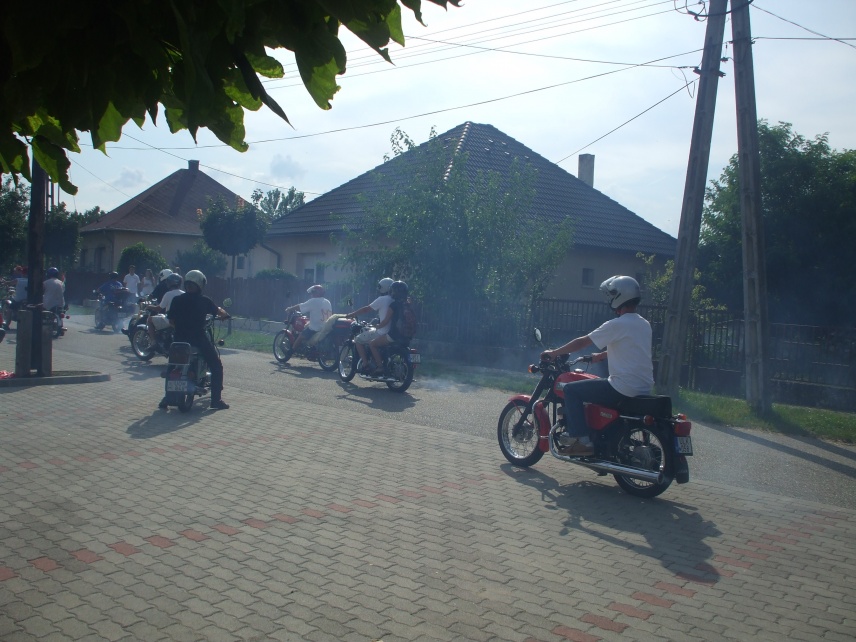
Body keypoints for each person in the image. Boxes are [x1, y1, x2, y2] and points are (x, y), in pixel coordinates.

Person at [540, 275, 654, 457]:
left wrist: (554, 352)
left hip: (622, 387)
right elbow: (631, 349)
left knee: (571, 390)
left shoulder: (617, 324)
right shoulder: (644, 324)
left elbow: (582, 342)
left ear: (619, 297)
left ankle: (582, 441)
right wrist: (601, 356)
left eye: (611, 295)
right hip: (644, 388)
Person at [165, 269, 231, 410]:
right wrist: (225, 315)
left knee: (172, 366)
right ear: (200, 284)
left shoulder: (177, 300)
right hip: (198, 340)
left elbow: (171, 321)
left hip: (179, 340)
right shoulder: (204, 301)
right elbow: (219, 311)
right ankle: (216, 400)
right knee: (216, 365)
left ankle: (166, 398)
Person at [345, 277, 394, 374]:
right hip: (393, 332)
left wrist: (352, 314)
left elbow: (366, 309)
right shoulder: (395, 300)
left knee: (358, 339)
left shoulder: (382, 299)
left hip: (382, 332)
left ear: (382, 288)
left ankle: (365, 364)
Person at [366, 280, 409, 374]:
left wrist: (377, 326)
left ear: (395, 292)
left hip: (394, 335)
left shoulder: (393, 305)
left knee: (372, 344)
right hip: (407, 337)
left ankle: (380, 367)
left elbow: (385, 321)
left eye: (392, 291)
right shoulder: (407, 304)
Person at [284, 284, 332, 353]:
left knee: (300, 336)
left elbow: (300, 306)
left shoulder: (313, 301)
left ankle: (291, 351)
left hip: (316, 328)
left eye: (313, 292)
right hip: (325, 327)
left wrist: (290, 309)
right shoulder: (327, 302)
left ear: (316, 293)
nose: (311, 295)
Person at [147, 273, 183, 344]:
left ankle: (153, 342)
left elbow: (159, 308)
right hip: (181, 320)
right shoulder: (183, 293)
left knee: (149, 319)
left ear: (170, 283)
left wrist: (149, 306)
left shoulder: (168, 294)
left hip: (170, 320)